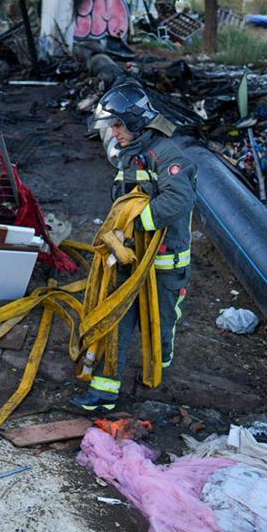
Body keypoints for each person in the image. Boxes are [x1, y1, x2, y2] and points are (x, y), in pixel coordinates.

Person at [71, 83, 197, 412]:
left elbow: (178, 200)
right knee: (117, 319)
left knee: (160, 323)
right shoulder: (130, 155)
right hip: (130, 256)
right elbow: (122, 196)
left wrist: (136, 222)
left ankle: (157, 374)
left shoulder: (168, 156)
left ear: (136, 122)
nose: (113, 133)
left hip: (164, 262)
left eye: (117, 125)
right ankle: (104, 392)